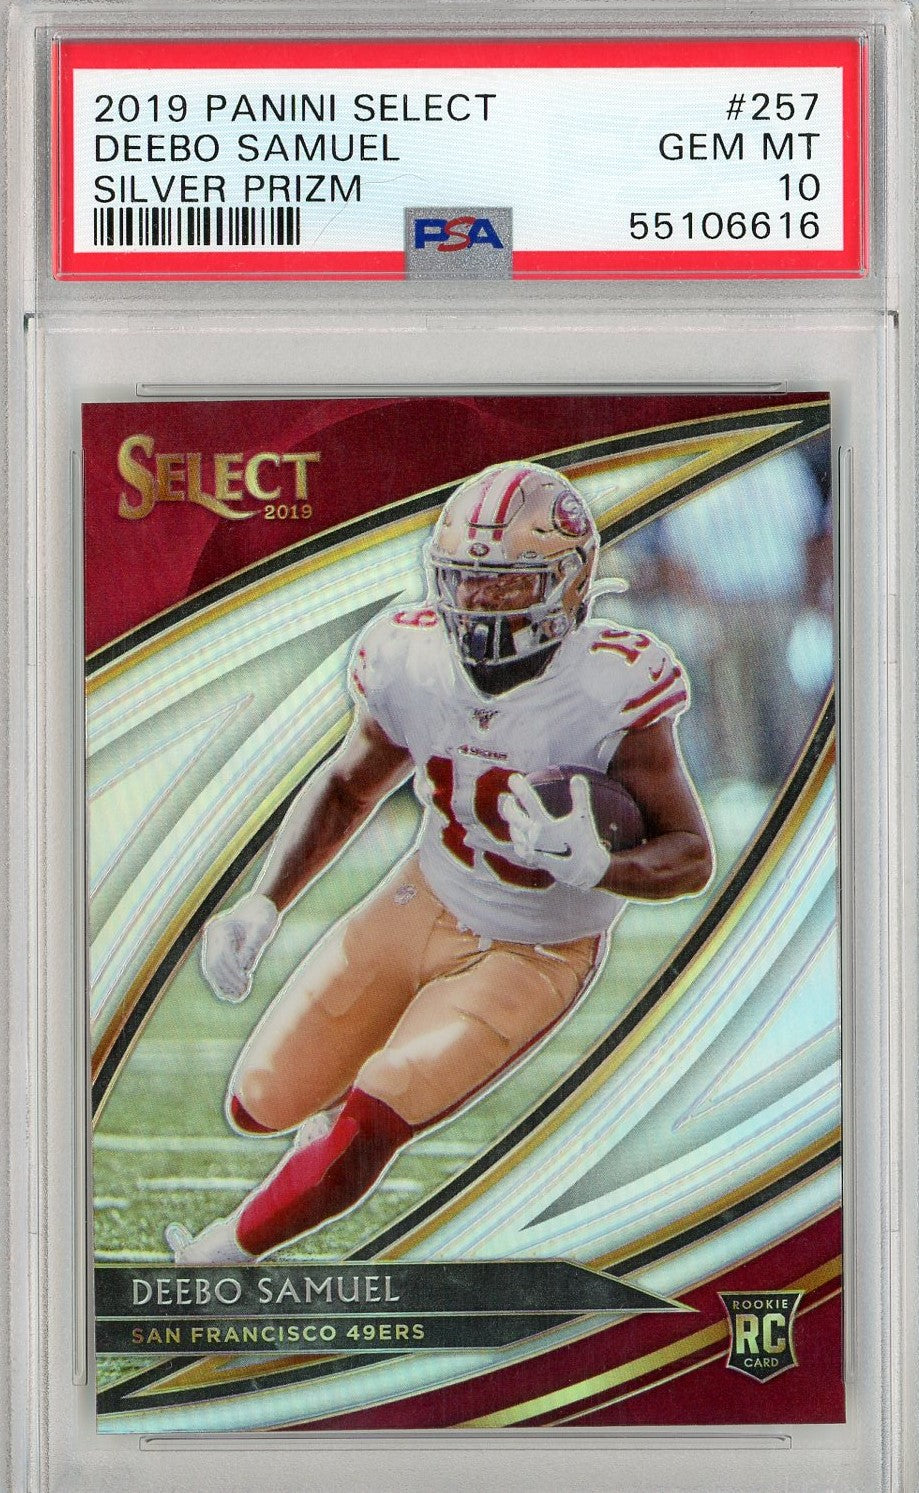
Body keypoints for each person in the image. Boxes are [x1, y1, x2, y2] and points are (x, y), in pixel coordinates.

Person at [168, 461, 713, 1265]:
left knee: (379, 1110)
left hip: (535, 947)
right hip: (423, 894)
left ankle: (222, 1256)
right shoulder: (407, 653)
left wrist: (600, 866)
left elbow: (691, 854)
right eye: (466, 578)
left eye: (508, 582)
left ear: (570, 582)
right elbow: (348, 785)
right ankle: (317, 1131)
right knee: (259, 1102)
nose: (481, 602)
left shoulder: (610, 683)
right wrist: (265, 899)